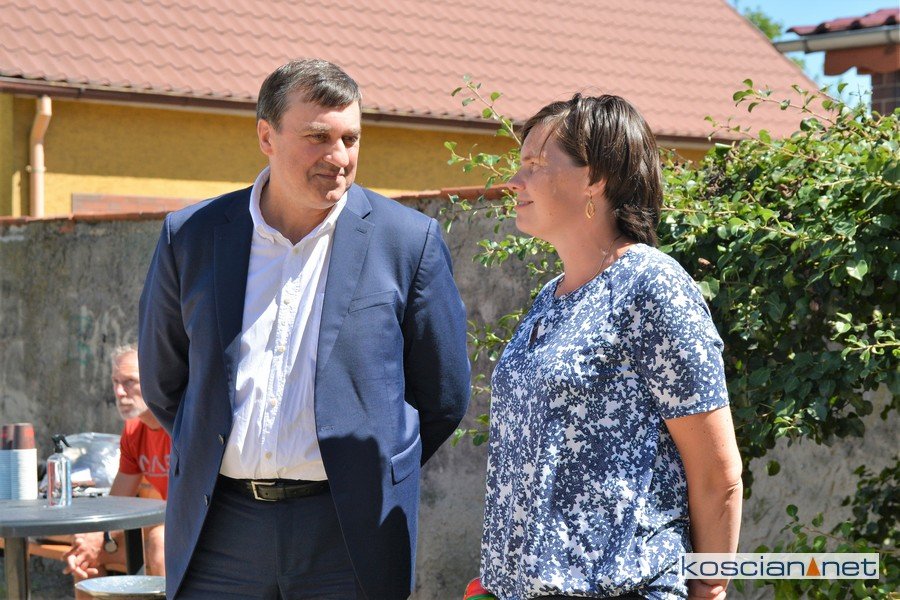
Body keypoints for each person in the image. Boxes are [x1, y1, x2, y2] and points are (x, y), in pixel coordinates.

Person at [138, 58, 470, 600]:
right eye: (318, 137)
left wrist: (371, 471)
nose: (338, 157)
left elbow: (443, 396)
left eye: (350, 139)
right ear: (266, 137)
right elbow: (164, 382)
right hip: (219, 532)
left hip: (349, 534)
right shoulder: (192, 235)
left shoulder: (408, 242)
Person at [480, 94, 743, 600]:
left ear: (595, 178)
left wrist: (709, 588)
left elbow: (718, 474)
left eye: (535, 164)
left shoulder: (652, 286)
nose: (515, 180)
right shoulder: (550, 298)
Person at [63, 344, 169, 594]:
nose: (120, 392)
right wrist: (93, 537)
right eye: (115, 382)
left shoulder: (179, 425)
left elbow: (192, 507)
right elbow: (118, 503)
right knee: (85, 552)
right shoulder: (133, 430)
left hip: (199, 530)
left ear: (157, 379)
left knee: (160, 541)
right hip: (161, 527)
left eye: (130, 381)